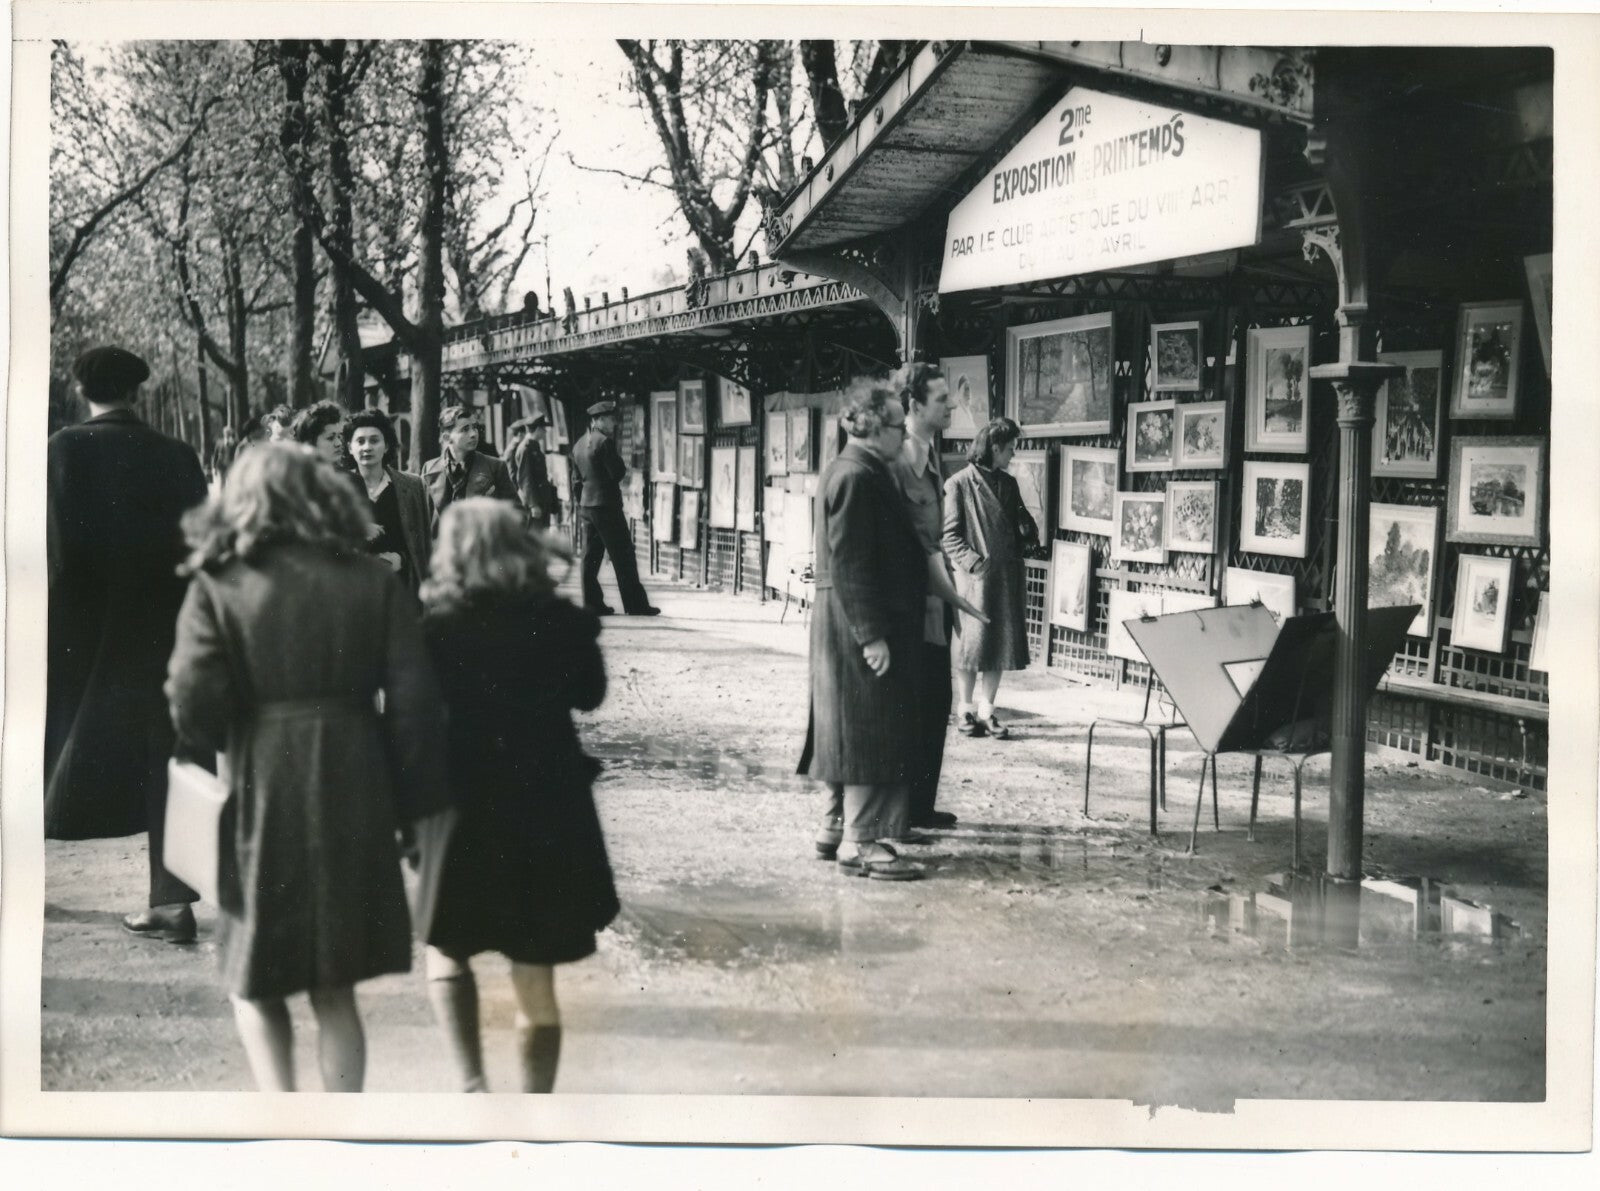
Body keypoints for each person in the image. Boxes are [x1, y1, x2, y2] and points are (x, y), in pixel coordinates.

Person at [164, 445, 450, 1092]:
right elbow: (417, 705)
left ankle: (283, 1116)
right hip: (356, 775)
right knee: (336, 984)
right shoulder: (372, 579)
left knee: (256, 973)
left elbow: (192, 699)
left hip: (262, 777)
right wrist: (411, 811)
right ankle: (340, 1123)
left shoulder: (220, 581)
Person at [416, 500, 619, 1092]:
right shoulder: (556, 620)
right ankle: (535, 1107)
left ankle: (473, 1087)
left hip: (461, 805)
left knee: (449, 948)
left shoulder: (435, 628)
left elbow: (415, 720)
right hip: (546, 804)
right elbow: (590, 694)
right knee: (536, 969)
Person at [46, 345, 211, 943]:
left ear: (81, 387)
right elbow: (202, 551)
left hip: (80, 630)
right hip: (168, 629)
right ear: (138, 391)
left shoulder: (62, 451)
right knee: (171, 759)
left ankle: (19, 885)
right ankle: (171, 901)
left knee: (43, 748)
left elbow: (54, 552)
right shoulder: (177, 454)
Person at [798, 379, 928, 880]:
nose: (905, 433)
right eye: (899, 425)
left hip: (841, 619)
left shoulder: (850, 468)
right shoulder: (859, 475)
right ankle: (862, 842)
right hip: (861, 621)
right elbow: (852, 562)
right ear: (873, 428)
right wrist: (872, 635)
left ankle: (834, 824)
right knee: (869, 728)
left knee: (842, 727)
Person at [888, 361, 963, 831]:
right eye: (941, 398)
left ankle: (919, 805)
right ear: (913, 406)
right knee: (905, 710)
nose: (952, 404)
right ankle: (897, 814)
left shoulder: (931, 460)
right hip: (904, 610)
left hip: (934, 608)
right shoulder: (895, 463)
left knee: (936, 703)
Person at [942, 416, 1036, 739]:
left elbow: (1018, 526)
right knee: (970, 647)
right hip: (974, 580)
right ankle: (964, 711)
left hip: (1005, 578)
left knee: (998, 646)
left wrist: (1027, 531)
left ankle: (987, 712)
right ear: (994, 448)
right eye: (1010, 449)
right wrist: (976, 564)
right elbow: (950, 537)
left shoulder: (1009, 484)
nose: (1012, 455)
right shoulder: (958, 484)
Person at [570, 400, 658, 616]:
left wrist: (584, 501)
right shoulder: (604, 443)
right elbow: (617, 472)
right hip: (607, 506)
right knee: (623, 554)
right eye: (610, 419)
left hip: (587, 506)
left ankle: (592, 603)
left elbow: (576, 480)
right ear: (597, 420)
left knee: (590, 556)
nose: (614, 423)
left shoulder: (579, 444)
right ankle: (635, 605)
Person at [344, 407, 434, 593]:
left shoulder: (413, 486)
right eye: (360, 441)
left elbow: (429, 539)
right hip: (354, 591)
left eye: (374, 440)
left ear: (386, 446)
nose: (367, 447)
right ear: (350, 448)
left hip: (403, 589)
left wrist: (401, 559)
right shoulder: (339, 489)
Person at [420, 405, 521, 528]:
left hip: (482, 544)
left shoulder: (495, 467)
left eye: (475, 427)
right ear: (447, 438)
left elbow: (518, 513)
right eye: (465, 429)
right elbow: (420, 519)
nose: (473, 434)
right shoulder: (429, 469)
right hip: (443, 546)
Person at [510, 413, 557, 531]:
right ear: (538, 429)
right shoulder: (526, 448)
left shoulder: (533, 446)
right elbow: (525, 478)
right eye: (543, 429)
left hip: (541, 499)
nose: (545, 432)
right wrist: (533, 504)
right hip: (535, 502)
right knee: (534, 537)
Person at [288, 400, 347, 466]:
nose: (339, 443)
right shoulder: (294, 475)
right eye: (330, 438)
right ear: (309, 443)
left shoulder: (348, 476)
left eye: (339, 436)